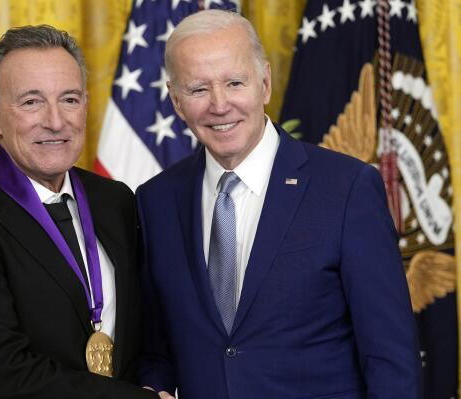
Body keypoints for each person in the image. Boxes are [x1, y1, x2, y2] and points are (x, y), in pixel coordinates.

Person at [136, 10, 422, 399]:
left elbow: (391, 361)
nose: (219, 105)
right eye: (198, 89)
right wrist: (153, 388)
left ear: (265, 83)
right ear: (175, 100)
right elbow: (156, 348)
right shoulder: (156, 201)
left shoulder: (347, 189)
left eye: (235, 82)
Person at [0, 25, 158, 399]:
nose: (55, 121)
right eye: (31, 102)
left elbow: (147, 328)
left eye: (69, 99)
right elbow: (2, 375)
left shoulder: (115, 200)